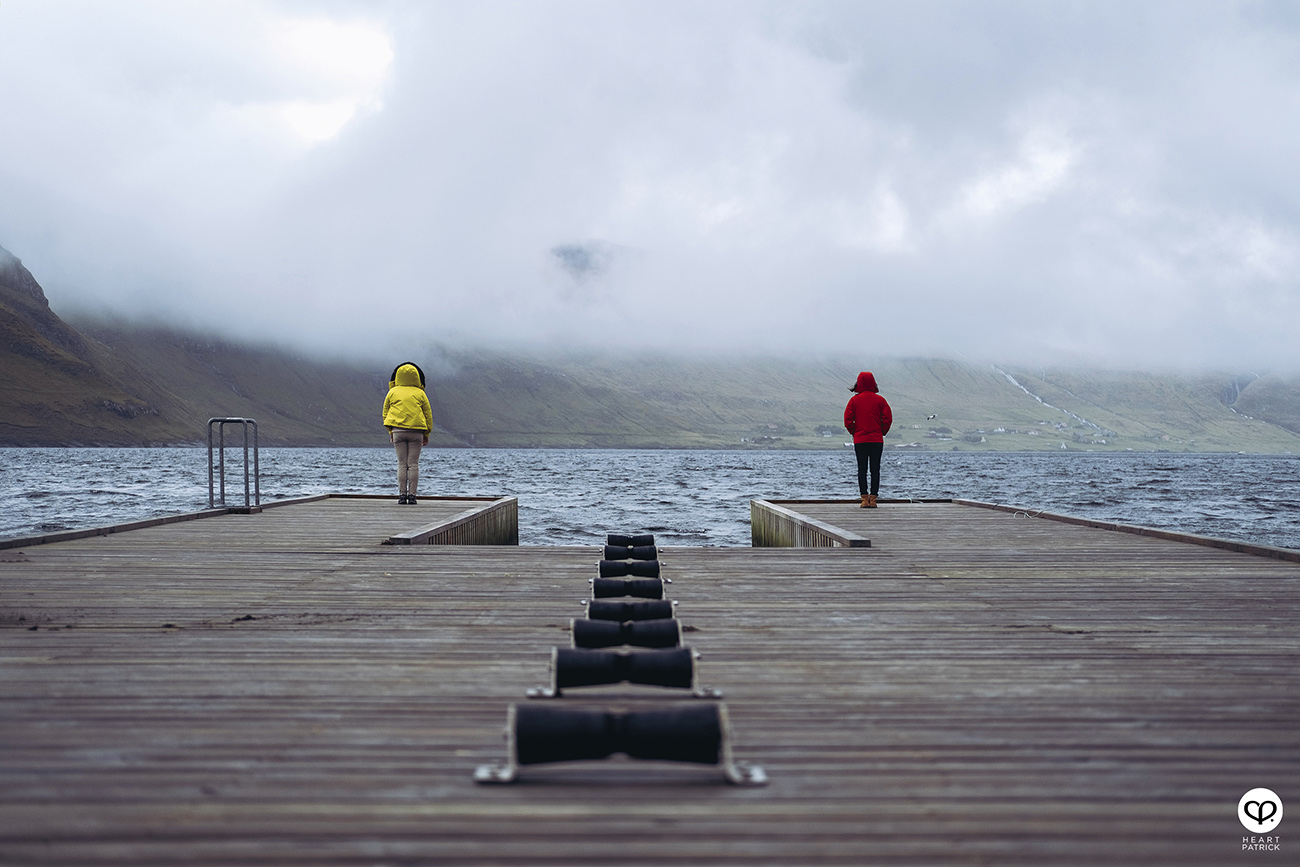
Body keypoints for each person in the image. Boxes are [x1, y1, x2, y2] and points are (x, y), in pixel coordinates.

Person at [382, 362, 433, 504]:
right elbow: (428, 415)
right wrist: (427, 433)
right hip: (416, 432)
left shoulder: (392, 392)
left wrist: (390, 431)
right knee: (413, 464)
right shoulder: (420, 393)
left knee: (402, 464)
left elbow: (385, 413)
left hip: (398, 431)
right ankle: (412, 496)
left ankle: (401, 496)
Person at [844, 371, 892, 508]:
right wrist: (882, 431)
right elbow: (888, 418)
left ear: (859, 383)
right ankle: (874, 499)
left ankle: (864, 499)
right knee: (875, 469)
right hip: (877, 440)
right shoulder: (880, 400)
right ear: (873, 383)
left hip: (860, 440)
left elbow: (847, 420)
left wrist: (855, 432)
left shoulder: (854, 401)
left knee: (862, 469)